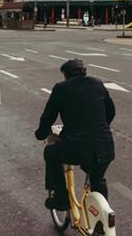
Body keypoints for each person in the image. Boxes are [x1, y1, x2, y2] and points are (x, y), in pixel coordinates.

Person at [35, 59, 116, 211]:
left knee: (51, 153)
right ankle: (103, 215)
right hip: (105, 145)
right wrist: (101, 127)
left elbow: (48, 116)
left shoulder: (61, 88)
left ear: (65, 75)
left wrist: (41, 134)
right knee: (97, 178)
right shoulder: (98, 83)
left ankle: (61, 198)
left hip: (75, 147)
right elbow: (110, 111)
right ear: (84, 71)